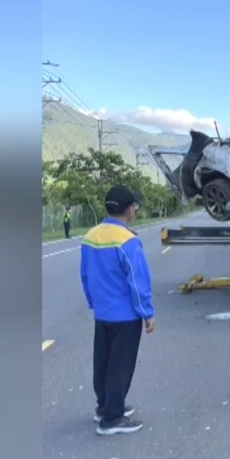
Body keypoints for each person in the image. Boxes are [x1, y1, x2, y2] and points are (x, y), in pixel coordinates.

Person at [80, 185, 156, 435]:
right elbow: (137, 280)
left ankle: (104, 406)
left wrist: (94, 302)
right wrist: (147, 313)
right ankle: (112, 418)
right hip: (125, 315)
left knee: (102, 362)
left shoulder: (90, 236)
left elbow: (85, 275)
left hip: (102, 313)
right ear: (129, 210)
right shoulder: (128, 241)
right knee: (120, 366)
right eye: (134, 205)